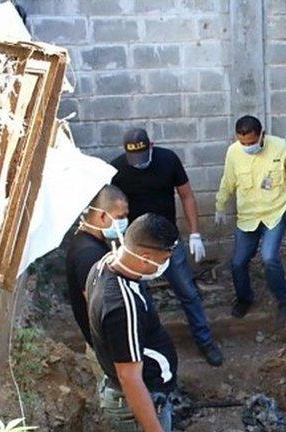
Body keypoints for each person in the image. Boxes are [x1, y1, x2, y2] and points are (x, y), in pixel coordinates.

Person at [111, 128, 223, 366]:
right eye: (134, 160)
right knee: (139, 298)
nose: (139, 164)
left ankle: (205, 341)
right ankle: (146, 350)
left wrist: (194, 233)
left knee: (188, 292)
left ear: (151, 145)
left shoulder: (167, 159)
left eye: (143, 156)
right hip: (136, 245)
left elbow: (187, 196)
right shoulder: (118, 170)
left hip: (167, 241)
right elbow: (114, 209)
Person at [214, 116, 286, 331]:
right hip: (248, 216)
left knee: (269, 257)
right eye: (243, 143)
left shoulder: (281, 148)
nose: (247, 147)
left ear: (262, 135)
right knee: (238, 262)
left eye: (251, 142)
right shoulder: (233, 152)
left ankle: (285, 299)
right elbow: (228, 181)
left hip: (276, 211)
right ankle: (244, 298)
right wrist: (219, 206)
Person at [86, 213, 180, 432]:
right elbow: (129, 377)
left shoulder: (103, 265)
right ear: (144, 256)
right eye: (163, 259)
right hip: (136, 404)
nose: (165, 265)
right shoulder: (123, 305)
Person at [65, 185, 129, 346]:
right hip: (107, 345)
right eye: (120, 217)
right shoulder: (89, 254)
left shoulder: (86, 241)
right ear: (102, 216)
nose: (124, 222)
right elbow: (99, 305)